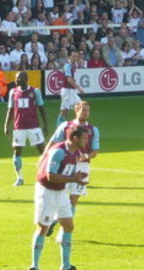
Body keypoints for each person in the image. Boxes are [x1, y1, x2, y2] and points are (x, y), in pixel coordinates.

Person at [29, 125, 89, 270]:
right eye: (85, 138)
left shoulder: (76, 152)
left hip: (61, 192)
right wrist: (75, 179)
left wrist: (77, 177)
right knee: (43, 228)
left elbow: (66, 173)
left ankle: (65, 266)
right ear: (75, 139)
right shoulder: (58, 151)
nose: (87, 141)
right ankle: (34, 266)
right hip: (46, 191)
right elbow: (51, 176)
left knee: (68, 226)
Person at [46, 101, 99, 240]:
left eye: (88, 110)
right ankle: (55, 222)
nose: (86, 113)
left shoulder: (93, 129)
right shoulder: (65, 126)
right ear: (76, 110)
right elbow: (53, 142)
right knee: (61, 196)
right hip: (65, 164)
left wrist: (86, 156)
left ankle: (61, 230)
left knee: (73, 200)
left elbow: (95, 151)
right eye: (83, 110)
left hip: (83, 167)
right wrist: (45, 157)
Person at [4, 71, 49, 186]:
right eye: (16, 78)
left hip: (34, 127)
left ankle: (46, 175)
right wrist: (6, 125)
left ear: (25, 79)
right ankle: (19, 178)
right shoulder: (13, 92)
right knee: (17, 151)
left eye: (19, 78)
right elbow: (10, 109)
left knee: (42, 151)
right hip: (19, 128)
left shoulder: (35, 91)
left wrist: (46, 124)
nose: (16, 80)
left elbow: (41, 108)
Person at [58, 51, 84, 125]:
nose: (75, 58)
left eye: (77, 56)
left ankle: (78, 124)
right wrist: (79, 87)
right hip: (67, 91)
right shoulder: (67, 66)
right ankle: (59, 128)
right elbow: (69, 79)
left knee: (81, 106)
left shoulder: (73, 65)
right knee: (64, 111)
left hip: (72, 91)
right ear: (69, 57)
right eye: (73, 56)